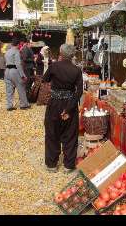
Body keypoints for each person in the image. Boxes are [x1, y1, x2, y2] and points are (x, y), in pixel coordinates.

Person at [43, 44, 83, 173]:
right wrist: (70, 108)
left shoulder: (54, 66)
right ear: (72, 55)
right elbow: (79, 91)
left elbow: (45, 79)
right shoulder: (76, 70)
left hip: (54, 103)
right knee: (70, 134)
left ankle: (51, 164)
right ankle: (68, 165)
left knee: (52, 132)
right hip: (69, 104)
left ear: (61, 53)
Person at [4, 38, 30, 111]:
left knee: (9, 89)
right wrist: (23, 75)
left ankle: (9, 105)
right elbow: (18, 64)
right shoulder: (16, 52)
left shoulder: (7, 51)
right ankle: (24, 104)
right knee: (20, 87)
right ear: (18, 44)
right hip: (14, 70)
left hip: (7, 70)